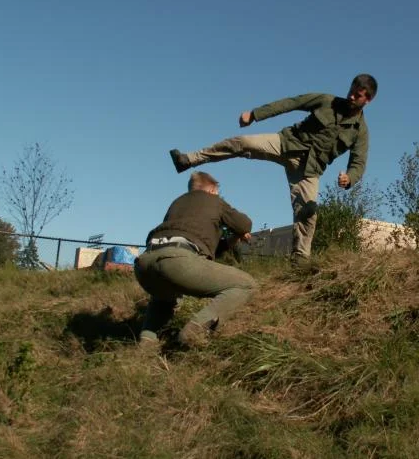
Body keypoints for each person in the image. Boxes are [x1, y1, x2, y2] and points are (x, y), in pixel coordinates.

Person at [169, 74, 377, 264]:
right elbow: (291, 103)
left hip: (309, 169)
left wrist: (349, 178)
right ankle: (188, 160)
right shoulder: (326, 101)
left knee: (308, 212)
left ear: (367, 100)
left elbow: (359, 162)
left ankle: (300, 260)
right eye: (351, 90)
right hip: (286, 143)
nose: (351, 97)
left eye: (357, 95)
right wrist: (255, 114)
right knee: (240, 143)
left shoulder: (361, 132)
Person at [134, 171, 257, 348]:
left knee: (164, 296)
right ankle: (194, 332)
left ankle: (146, 343)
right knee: (247, 284)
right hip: (177, 260)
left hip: (145, 263)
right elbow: (245, 224)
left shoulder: (177, 203)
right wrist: (238, 230)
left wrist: (234, 238)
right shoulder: (215, 201)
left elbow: (209, 249)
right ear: (213, 190)